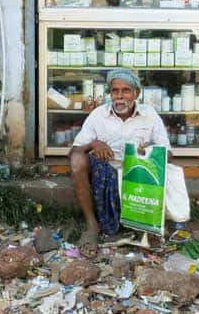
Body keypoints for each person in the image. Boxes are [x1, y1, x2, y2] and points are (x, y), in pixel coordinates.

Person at [69, 68, 190, 256]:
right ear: (110, 94)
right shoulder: (98, 115)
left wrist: (149, 151)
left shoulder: (149, 115)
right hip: (107, 174)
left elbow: (169, 154)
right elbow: (74, 151)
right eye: (115, 91)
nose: (120, 96)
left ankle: (144, 225)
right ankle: (92, 225)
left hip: (138, 174)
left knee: (163, 168)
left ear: (137, 94)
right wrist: (94, 143)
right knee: (78, 159)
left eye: (126, 91)